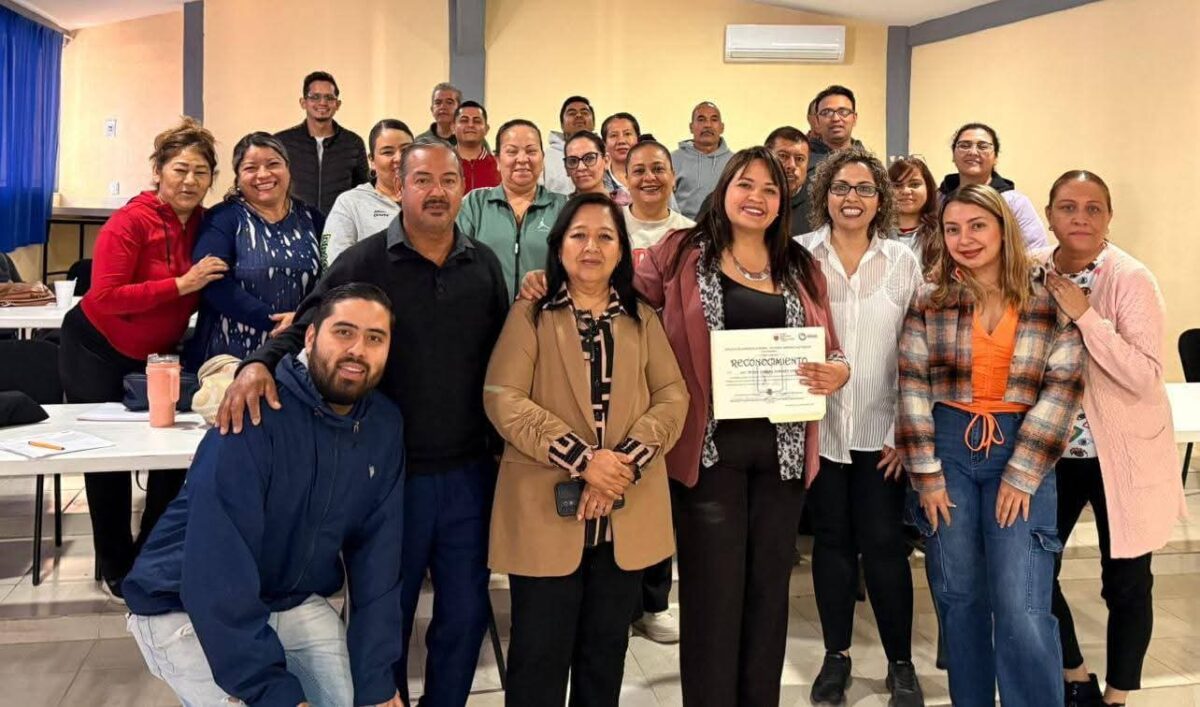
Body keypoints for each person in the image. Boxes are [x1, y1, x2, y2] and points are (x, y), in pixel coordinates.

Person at [216, 141, 510, 707]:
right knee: (383, 614)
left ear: (463, 189)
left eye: (449, 181)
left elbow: (505, 355)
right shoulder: (364, 262)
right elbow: (306, 326)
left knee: (466, 611)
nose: (437, 192)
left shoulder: (483, 265)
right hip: (387, 476)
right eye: (422, 180)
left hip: (469, 474)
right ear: (399, 186)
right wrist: (257, 364)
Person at [124, 284, 407, 707]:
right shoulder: (254, 410)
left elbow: (378, 560)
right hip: (181, 603)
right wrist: (272, 694)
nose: (357, 350)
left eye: (374, 338)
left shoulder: (383, 426)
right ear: (310, 337)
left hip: (287, 600)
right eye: (343, 332)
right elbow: (215, 571)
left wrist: (377, 684)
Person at [637, 147, 849, 705]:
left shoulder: (800, 266)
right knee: (713, 597)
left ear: (783, 203)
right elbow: (620, 294)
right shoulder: (681, 252)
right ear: (724, 190)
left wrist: (839, 370)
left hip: (782, 459)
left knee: (768, 596)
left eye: (770, 189)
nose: (757, 197)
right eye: (745, 185)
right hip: (709, 456)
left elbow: (830, 346)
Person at [484, 192, 689, 706]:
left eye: (605, 236)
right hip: (545, 513)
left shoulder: (641, 317)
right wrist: (583, 460)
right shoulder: (532, 312)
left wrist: (622, 466)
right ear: (559, 246)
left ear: (622, 250)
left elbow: (672, 396)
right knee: (538, 660)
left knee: (605, 655)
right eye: (579, 235)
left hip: (625, 514)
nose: (591, 247)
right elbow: (503, 396)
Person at [898, 183, 1084, 707]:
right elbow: (911, 387)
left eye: (977, 226)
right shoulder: (930, 298)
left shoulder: (1047, 296)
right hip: (948, 450)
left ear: (1003, 228)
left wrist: (1023, 473)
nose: (965, 239)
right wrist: (927, 475)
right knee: (959, 597)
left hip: (1022, 447)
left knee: (1022, 603)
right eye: (952, 229)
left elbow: (1065, 386)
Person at [1034, 171, 1187, 707]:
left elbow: (1144, 375)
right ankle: (1076, 676)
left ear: (1108, 217)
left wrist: (1087, 317)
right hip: (1052, 452)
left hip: (1120, 453)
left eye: (1093, 208)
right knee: (1034, 571)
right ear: (1049, 214)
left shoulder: (1130, 277)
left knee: (1126, 581)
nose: (1080, 217)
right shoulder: (1034, 271)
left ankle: (1118, 695)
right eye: (1068, 206)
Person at [57, 119, 227, 598]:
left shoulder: (207, 223)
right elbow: (105, 295)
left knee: (170, 454)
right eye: (180, 169)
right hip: (96, 347)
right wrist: (180, 285)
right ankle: (115, 565)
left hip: (158, 354)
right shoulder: (130, 222)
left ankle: (152, 553)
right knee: (106, 458)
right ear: (158, 171)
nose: (189, 181)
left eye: (200, 172)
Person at [796, 148, 925, 707]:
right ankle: (836, 656)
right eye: (841, 187)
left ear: (880, 199)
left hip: (883, 434)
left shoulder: (902, 262)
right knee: (831, 544)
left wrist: (905, 430)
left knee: (885, 546)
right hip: (819, 432)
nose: (852, 198)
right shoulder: (799, 256)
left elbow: (917, 349)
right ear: (824, 194)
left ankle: (901, 664)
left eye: (865, 189)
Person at [188, 132, 323, 367]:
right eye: (251, 168)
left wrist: (303, 320)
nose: (263, 174)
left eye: (273, 164)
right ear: (238, 177)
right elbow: (213, 283)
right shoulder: (222, 218)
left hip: (297, 354)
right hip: (229, 360)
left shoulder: (313, 218)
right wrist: (275, 322)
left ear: (288, 168)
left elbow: (333, 278)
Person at [458, 119, 568, 300]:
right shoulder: (474, 204)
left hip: (543, 312)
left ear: (542, 158)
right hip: (483, 312)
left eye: (531, 151)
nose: (522, 159)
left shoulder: (562, 206)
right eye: (512, 151)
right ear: (497, 160)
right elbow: (456, 263)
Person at [938, 123, 1048, 249]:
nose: (973, 152)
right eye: (964, 145)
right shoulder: (937, 199)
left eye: (983, 146)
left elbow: (1035, 251)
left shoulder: (1014, 203)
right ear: (953, 155)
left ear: (995, 157)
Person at [274, 71, 369, 214]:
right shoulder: (282, 142)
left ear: (337, 104)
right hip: (294, 223)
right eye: (315, 97)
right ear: (303, 103)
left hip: (338, 223)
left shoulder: (353, 143)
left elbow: (362, 193)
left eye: (329, 98)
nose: (323, 103)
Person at [324, 119, 414, 266]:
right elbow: (334, 264)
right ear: (372, 161)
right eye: (387, 152)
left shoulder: (432, 198)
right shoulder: (350, 203)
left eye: (406, 150)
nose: (398, 158)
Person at [621, 140, 694, 260]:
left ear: (673, 177)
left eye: (658, 169)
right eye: (639, 171)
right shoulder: (611, 224)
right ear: (627, 180)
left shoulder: (691, 233)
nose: (649, 177)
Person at [671, 101, 732, 220]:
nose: (707, 125)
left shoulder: (735, 162)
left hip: (722, 228)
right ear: (691, 127)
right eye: (701, 119)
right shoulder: (671, 160)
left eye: (714, 119)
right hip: (682, 228)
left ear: (722, 127)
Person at [888, 155, 939, 274]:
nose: (906, 191)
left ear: (928, 188)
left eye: (914, 184)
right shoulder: (873, 233)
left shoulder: (943, 234)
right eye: (897, 186)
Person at [807, 85, 864, 181]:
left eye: (843, 112)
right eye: (826, 113)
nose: (835, 118)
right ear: (817, 120)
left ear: (854, 118)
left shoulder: (870, 164)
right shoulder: (803, 163)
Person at [542, 95, 596, 196]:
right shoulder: (545, 158)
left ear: (593, 124)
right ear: (562, 125)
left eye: (585, 112)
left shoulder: (606, 153)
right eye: (572, 113)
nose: (579, 115)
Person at [765, 126, 812, 234]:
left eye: (799, 159)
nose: (791, 165)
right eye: (783, 156)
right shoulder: (750, 197)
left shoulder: (822, 205)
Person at [564, 130, 630, 206]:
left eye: (589, 158)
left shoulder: (628, 205)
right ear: (566, 168)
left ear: (606, 161)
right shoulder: (558, 207)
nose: (581, 167)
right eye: (573, 161)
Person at [455, 100, 501, 193]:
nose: (470, 125)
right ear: (453, 127)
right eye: (464, 120)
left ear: (486, 129)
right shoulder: (442, 164)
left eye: (477, 121)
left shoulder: (499, 167)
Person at [601, 112, 640, 202]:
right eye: (613, 135)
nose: (621, 141)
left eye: (627, 134)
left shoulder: (653, 177)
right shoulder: (597, 183)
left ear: (637, 139)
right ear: (604, 144)